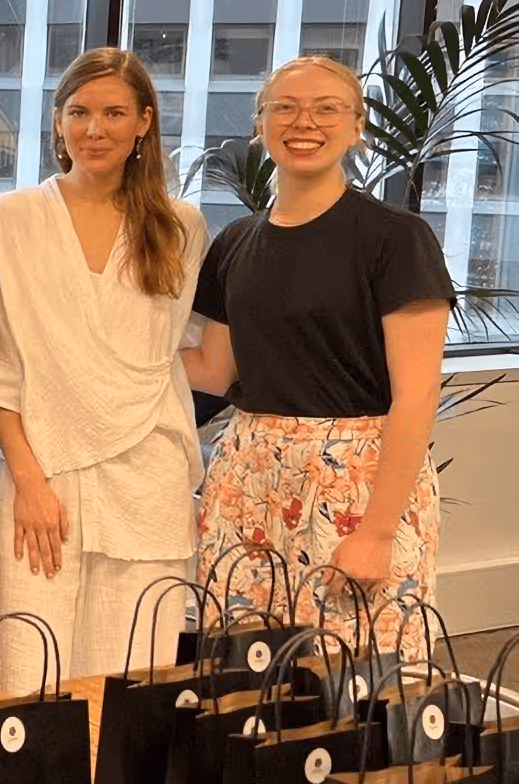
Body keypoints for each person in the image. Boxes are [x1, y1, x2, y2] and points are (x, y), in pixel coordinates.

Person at [184, 54, 452, 654]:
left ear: (357, 126)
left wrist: (378, 531)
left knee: (361, 673)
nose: (304, 121)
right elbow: (213, 368)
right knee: (244, 670)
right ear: (260, 123)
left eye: (327, 108)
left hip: (358, 479)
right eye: (285, 106)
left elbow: (417, 393)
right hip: (248, 474)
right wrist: (98, 354)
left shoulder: (395, 238)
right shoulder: (235, 242)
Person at [0, 49, 206, 692]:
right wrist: (27, 478)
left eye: (113, 113)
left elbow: (175, 353)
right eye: (79, 112)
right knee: (25, 672)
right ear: (57, 122)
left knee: (134, 675)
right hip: (39, 472)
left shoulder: (181, 227)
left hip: (148, 474)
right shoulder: (9, 218)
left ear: (144, 123)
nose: (95, 128)